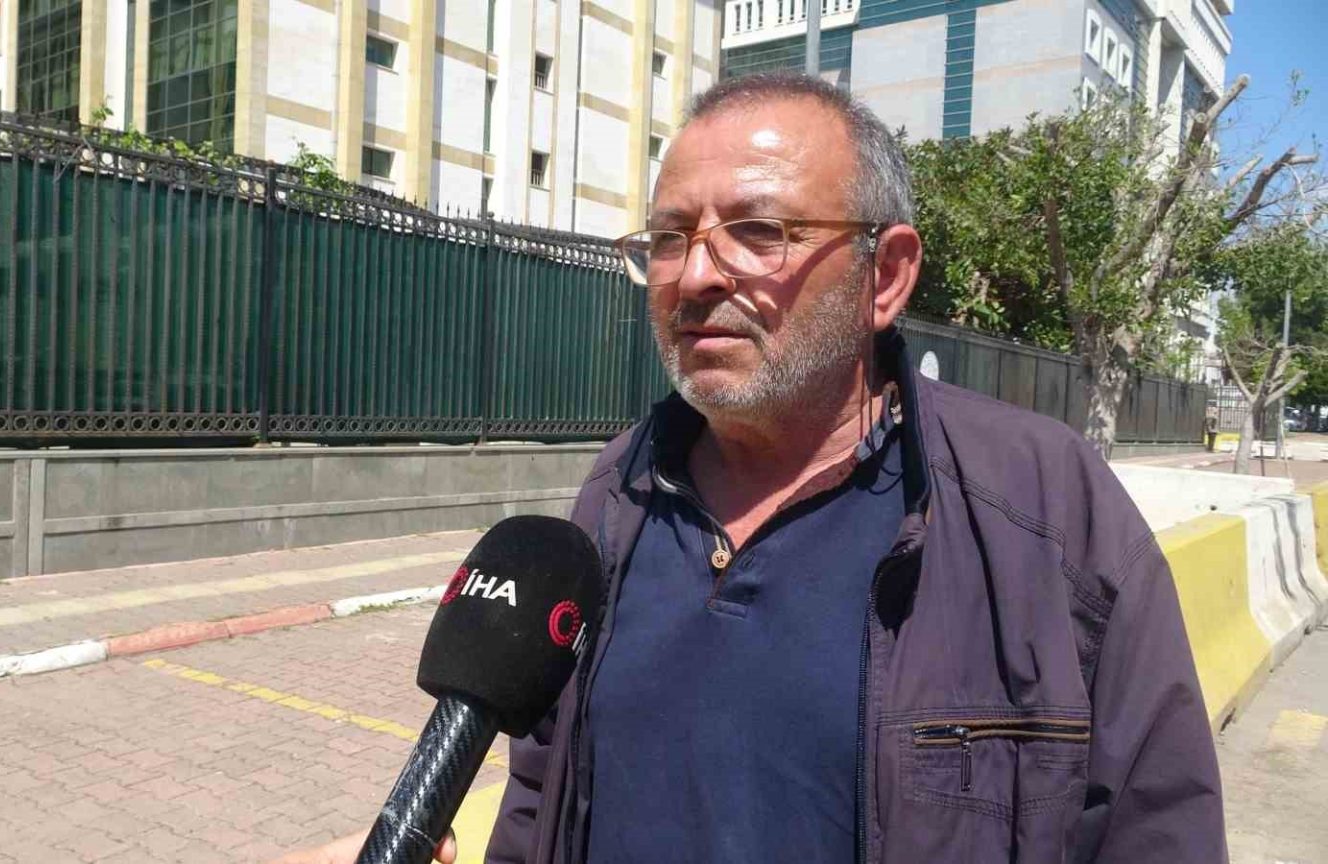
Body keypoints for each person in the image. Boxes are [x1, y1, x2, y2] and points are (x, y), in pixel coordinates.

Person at [482, 73, 1225, 863]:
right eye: (669, 237)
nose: (695, 276)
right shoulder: (621, 489)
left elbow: (1158, 831)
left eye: (758, 230)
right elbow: (541, 790)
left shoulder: (1046, 511)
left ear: (887, 275)